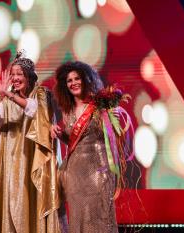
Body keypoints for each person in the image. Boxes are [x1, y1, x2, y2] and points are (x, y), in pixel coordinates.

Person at [0, 52, 60, 233]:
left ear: (29, 76)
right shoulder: (8, 99)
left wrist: (8, 94)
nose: (15, 78)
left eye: (19, 74)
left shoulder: (41, 93)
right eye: (12, 74)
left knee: (29, 199)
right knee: (10, 200)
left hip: (32, 158)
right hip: (9, 158)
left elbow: (34, 110)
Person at [50, 61, 133, 233]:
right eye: (69, 80)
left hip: (99, 169)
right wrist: (59, 134)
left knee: (99, 216)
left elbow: (111, 135)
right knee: (79, 215)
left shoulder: (100, 104)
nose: (73, 83)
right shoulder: (68, 110)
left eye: (77, 78)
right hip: (74, 173)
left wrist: (112, 116)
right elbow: (72, 140)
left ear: (86, 79)